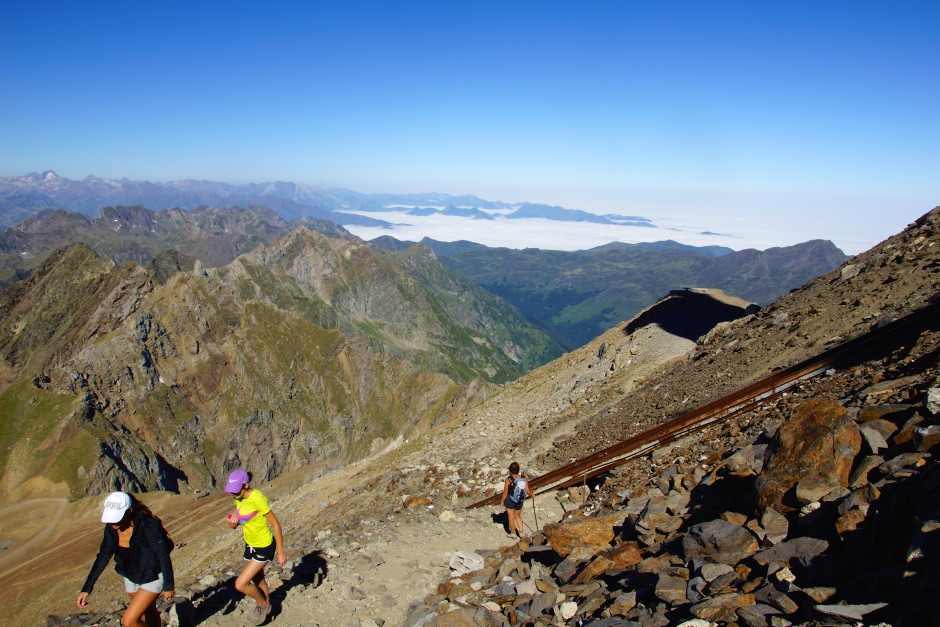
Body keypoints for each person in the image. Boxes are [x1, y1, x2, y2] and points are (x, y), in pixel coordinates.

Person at [77, 491, 175, 627]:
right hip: (131, 576)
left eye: (116, 518)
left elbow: (163, 554)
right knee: (149, 610)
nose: (112, 523)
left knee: (128, 621)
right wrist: (87, 588)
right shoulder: (112, 527)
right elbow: (104, 555)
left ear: (129, 511)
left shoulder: (147, 525)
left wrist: (168, 585)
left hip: (153, 575)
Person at [224, 469, 287, 626]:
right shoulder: (238, 498)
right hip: (250, 544)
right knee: (258, 580)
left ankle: (263, 605)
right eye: (231, 491)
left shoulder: (257, 498)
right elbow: (245, 519)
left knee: (240, 584)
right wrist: (233, 524)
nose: (233, 494)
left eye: (235, 490)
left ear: (246, 485)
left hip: (264, 545)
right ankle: (269, 612)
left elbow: (276, 525)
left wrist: (280, 552)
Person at [501, 461, 531, 539]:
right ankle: (521, 532)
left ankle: (513, 534)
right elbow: (528, 491)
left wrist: (502, 502)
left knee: (511, 517)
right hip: (520, 500)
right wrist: (532, 495)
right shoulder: (523, 478)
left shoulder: (508, 479)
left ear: (510, 470)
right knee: (518, 516)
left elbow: (505, 492)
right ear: (518, 470)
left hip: (510, 500)